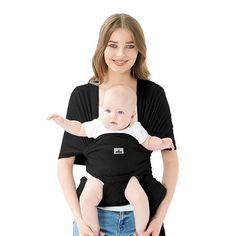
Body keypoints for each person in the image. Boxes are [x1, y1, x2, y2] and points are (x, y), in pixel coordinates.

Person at [56, 13, 179, 236]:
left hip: (142, 219)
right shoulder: (82, 96)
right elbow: (64, 165)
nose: (121, 54)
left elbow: (170, 161)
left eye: (130, 46)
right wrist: (80, 220)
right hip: (93, 221)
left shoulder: (153, 95)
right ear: (102, 47)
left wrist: (158, 218)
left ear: (139, 50)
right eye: (113, 45)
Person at [48, 85, 174, 236]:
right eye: (108, 111)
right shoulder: (98, 125)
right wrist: (64, 123)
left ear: (132, 115)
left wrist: (161, 143)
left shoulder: (135, 128)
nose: (113, 116)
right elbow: (79, 128)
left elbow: (148, 142)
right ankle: (94, 231)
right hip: (99, 178)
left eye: (120, 112)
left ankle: (141, 231)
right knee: (86, 199)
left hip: (128, 179)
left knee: (141, 199)